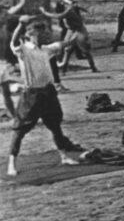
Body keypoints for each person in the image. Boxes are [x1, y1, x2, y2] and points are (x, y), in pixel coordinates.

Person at [6, 16, 84, 176]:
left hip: (48, 93)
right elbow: (13, 41)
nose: (43, 36)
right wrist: (20, 25)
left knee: (55, 126)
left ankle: (64, 156)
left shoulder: (46, 49)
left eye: (44, 33)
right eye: (39, 34)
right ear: (30, 35)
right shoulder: (23, 50)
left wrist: (76, 32)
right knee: (19, 130)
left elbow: (65, 43)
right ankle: (11, 164)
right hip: (31, 95)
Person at [39, 0, 98, 74]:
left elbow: (58, 16)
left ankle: (93, 67)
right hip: (71, 30)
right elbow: (60, 12)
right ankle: (63, 70)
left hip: (79, 30)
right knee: (67, 50)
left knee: (85, 50)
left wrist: (44, 12)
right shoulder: (68, 8)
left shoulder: (68, 11)